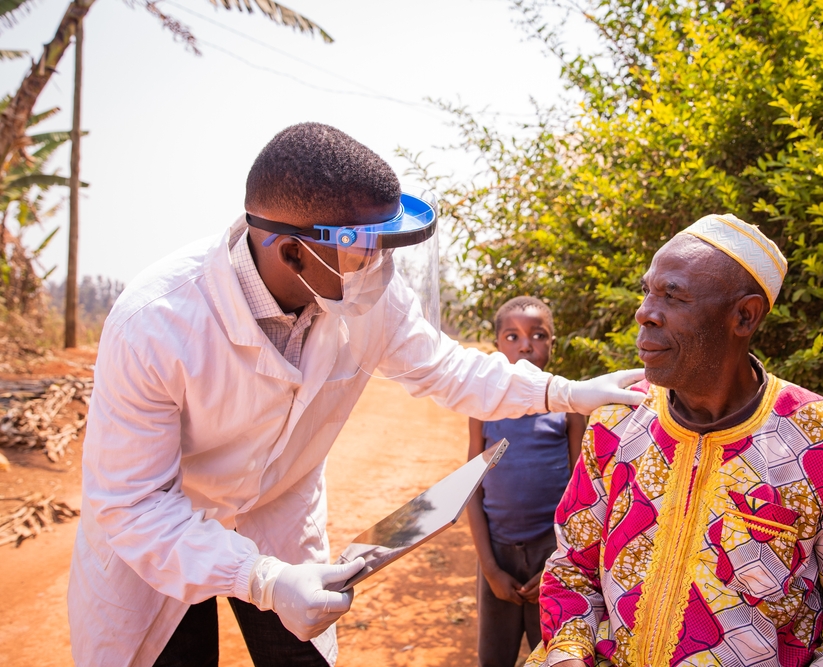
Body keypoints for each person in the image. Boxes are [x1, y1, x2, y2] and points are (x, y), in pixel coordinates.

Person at [66, 123, 646, 667]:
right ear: (293, 252)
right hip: (161, 538)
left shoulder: (362, 295)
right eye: (364, 247)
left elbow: (447, 368)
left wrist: (565, 391)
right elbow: (135, 505)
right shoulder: (155, 324)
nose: (380, 264)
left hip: (277, 518)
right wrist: (261, 579)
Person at [526, 214, 823, 667]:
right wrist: (569, 655)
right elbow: (573, 568)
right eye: (648, 291)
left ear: (744, 315)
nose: (645, 312)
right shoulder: (617, 421)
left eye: (672, 295)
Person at [467, 296, 588, 667]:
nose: (525, 345)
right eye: (512, 336)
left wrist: (555, 562)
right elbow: (471, 488)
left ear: (552, 343)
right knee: (494, 657)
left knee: (551, 655)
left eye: (538, 335)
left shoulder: (566, 407)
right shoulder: (483, 406)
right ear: (497, 344)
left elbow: (579, 492)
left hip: (549, 555)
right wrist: (489, 568)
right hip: (497, 553)